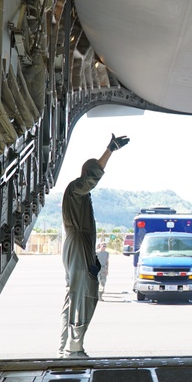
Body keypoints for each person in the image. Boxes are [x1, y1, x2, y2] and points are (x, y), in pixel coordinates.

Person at [58, 133, 129, 358]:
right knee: (83, 295)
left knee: (75, 295)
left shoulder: (80, 195)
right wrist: (109, 151)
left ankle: (65, 345)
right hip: (78, 246)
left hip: (80, 247)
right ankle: (74, 347)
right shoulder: (76, 189)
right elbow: (92, 177)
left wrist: (93, 259)